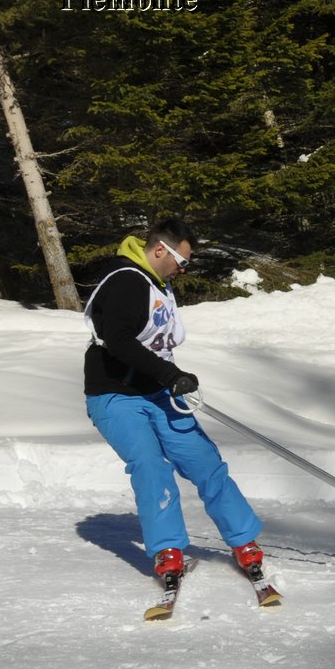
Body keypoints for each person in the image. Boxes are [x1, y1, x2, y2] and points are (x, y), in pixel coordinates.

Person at [83, 218, 265, 584]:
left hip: (155, 389)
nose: (184, 270)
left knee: (204, 460)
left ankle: (244, 540)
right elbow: (116, 339)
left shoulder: (156, 284)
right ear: (160, 249)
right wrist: (169, 376)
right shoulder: (125, 280)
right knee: (151, 466)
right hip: (115, 394)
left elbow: (151, 345)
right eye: (181, 262)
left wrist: (175, 375)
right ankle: (168, 550)